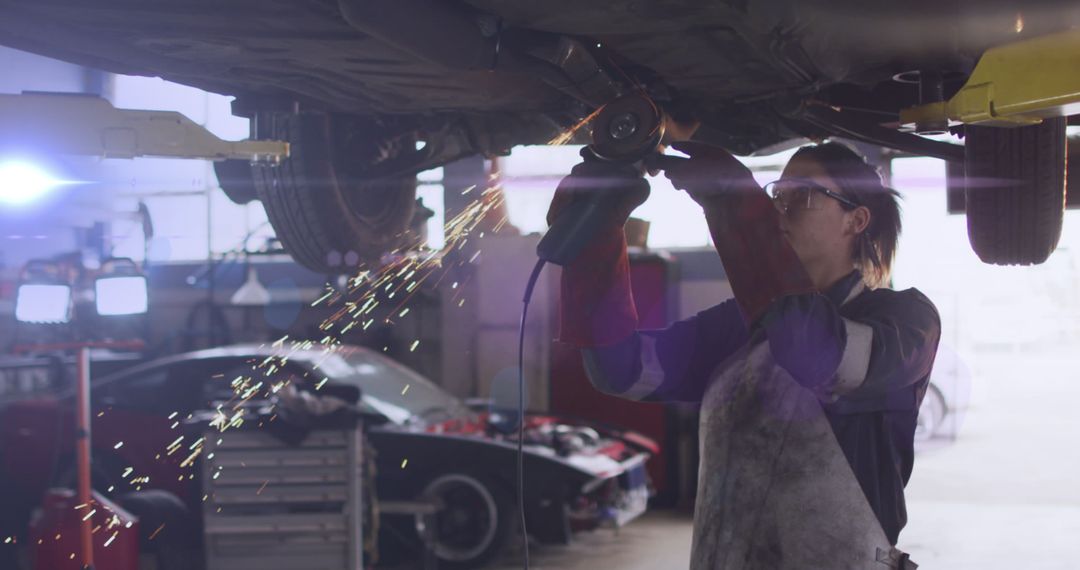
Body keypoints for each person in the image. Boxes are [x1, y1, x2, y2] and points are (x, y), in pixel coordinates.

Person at [549, 140, 940, 569]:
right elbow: (619, 369)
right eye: (776, 196)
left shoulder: (905, 322)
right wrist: (597, 238)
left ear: (857, 220)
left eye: (802, 196)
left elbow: (815, 354)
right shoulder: (740, 325)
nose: (779, 210)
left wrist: (732, 202)